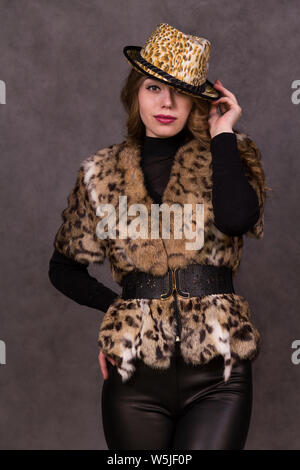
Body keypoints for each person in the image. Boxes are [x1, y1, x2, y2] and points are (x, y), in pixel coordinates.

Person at [49, 23, 270, 450]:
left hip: (219, 374)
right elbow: (63, 268)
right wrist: (117, 309)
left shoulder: (227, 155)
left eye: (180, 91)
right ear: (136, 93)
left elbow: (238, 218)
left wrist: (222, 136)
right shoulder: (102, 172)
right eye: (153, 88)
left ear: (197, 102)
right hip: (134, 375)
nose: (166, 102)